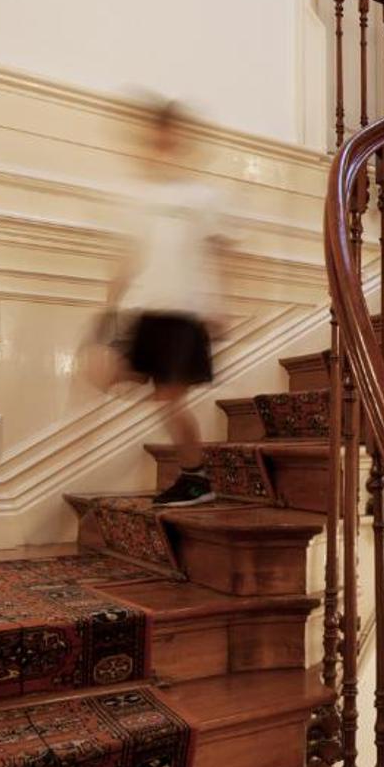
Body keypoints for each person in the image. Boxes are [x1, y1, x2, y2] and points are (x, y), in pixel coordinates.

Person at [107, 99, 228, 507]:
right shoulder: (139, 196)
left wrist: (218, 305)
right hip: (147, 310)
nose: (163, 144)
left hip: (183, 311)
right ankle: (195, 476)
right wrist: (111, 311)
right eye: (157, 137)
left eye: (171, 136)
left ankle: (196, 478)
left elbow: (215, 252)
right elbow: (129, 258)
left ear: (183, 140)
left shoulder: (202, 197)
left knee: (169, 398)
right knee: (148, 392)